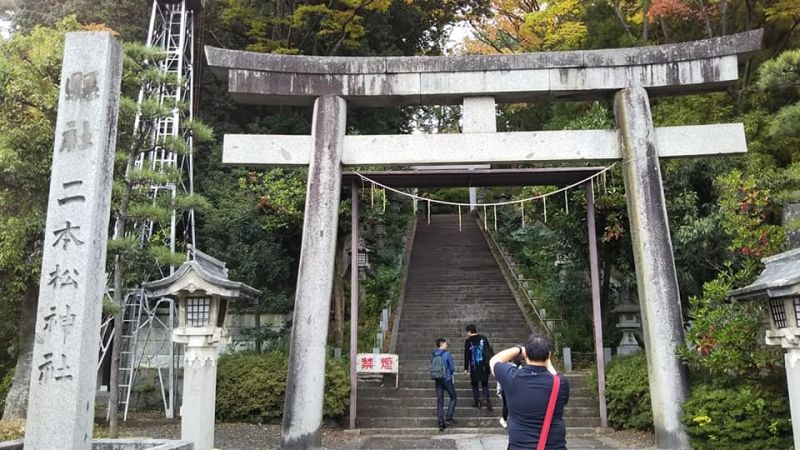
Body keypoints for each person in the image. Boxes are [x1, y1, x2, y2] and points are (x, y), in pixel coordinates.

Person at [490, 333, 570, 450]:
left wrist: (518, 349)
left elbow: (494, 360)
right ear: (549, 355)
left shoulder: (512, 377)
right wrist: (548, 361)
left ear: (525, 354)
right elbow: (555, 377)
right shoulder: (561, 384)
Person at [464, 324, 493, 410]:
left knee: (474, 384)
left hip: (474, 366)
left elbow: (467, 355)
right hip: (484, 365)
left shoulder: (468, 341)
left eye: (467, 332)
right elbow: (488, 350)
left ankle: (477, 402)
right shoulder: (483, 338)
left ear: (469, 331)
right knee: (485, 383)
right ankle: (486, 399)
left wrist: (466, 368)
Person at [431, 338, 457, 431]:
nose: (447, 345)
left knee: (440, 400)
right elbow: (452, 367)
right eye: (445, 343)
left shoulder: (433, 354)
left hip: (437, 379)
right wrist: (449, 373)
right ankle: (449, 417)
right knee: (453, 397)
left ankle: (440, 421)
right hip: (447, 378)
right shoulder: (447, 354)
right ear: (441, 344)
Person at [497, 354, 524, 429]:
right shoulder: (508, 367)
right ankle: (504, 419)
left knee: (509, 405)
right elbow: (500, 378)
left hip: (513, 389)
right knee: (507, 405)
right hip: (507, 388)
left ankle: (506, 419)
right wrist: (499, 389)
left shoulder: (520, 368)